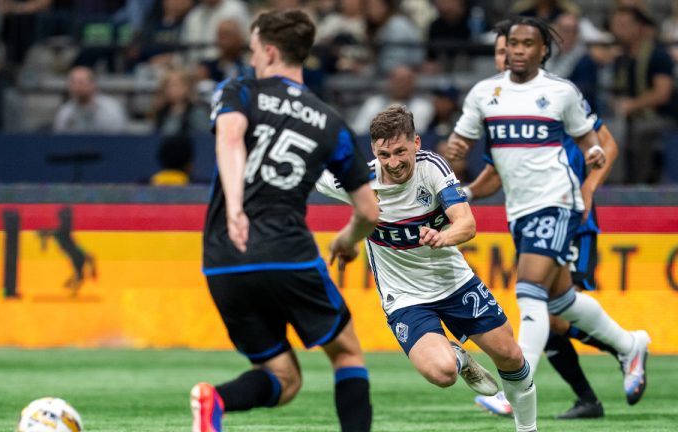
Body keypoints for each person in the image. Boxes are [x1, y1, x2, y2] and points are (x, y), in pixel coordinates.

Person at [444, 16, 650, 416]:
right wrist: (456, 161)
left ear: (543, 50)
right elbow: (467, 149)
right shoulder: (485, 94)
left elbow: (594, 139)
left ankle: (517, 388)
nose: (517, 51)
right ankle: (630, 344)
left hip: (558, 202)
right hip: (519, 210)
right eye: (511, 44)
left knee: (529, 291)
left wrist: (592, 162)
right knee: (559, 303)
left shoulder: (560, 92)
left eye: (526, 43)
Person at [192, 10, 379, 432]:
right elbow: (369, 211)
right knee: (347, 353)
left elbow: (230, 136)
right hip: (288, 253)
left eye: (255, 50)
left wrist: (236, 210)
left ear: (271, 50)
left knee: (284, 378)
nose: (252, 59)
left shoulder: (237, 90)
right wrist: (348, 240)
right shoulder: (332, 122)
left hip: (222, 257)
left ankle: (215, 401)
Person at [317, 105, 538, 432]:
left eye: (400, 151)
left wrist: (443, 236)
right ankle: (460, 359)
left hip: (454, 284)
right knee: (442, 372)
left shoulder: (432, 168)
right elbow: (315, 171)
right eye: (384, 154)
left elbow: (466, 223)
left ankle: (527, 429)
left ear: (416, 143)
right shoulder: (359, 181)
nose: (393, 163)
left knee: (511, 356)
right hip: (405, 298)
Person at [609, 6, 678, 183]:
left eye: (624, 24)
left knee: (639, 131)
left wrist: (632, 105)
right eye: (616, 24)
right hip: (630, 117)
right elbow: (616, 90)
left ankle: (636, 186)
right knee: (606, 129)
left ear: (638, 27)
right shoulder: (622, 59)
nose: (619, 29)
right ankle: (609, 184)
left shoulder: (658, 54)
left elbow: (662, 93)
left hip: (663, 117)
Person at [53, 66, 129, 134]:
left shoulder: (111, 109)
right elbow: (60, 141)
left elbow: (118, 139)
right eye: (73, 83)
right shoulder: (65, 112)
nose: (77, 86)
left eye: (81, 82)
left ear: (93, 84)